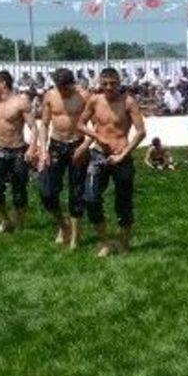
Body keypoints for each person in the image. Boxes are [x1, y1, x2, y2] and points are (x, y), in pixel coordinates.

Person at [78, 67, 147, 257]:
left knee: (123, 201)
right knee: (91, 198)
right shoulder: (95, 100)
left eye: (113, 83)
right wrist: (96, 136)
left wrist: (123, 154)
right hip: (99, 155)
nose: (109, 87)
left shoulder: (128, 101)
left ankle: (124, 242)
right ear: (100, 83)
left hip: (121, 156)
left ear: (119, 82)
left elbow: (141, 132)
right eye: (105, 84)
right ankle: (104, 241)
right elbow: (80, 124)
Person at [38, 68, 89, 248]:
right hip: (56, 145)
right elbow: (44, 124)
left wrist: (85, 146)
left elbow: (95, 125)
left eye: (65, 88)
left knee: (77, 190)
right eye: (59, 87)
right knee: (47, 192)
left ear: (72, 83)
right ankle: (63, 225)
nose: (62, 91)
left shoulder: (84, 96)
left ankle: (75, 236)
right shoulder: (50, 96)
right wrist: (43, 150)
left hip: (77, 145)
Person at [0, 70, 38, 233]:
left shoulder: (20, 102)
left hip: (18, 152)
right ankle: (5, 219)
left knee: (19, 190)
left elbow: (34, 128)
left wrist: (32, 148)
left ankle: (20, 223)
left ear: (3, 83)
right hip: (0, 150)